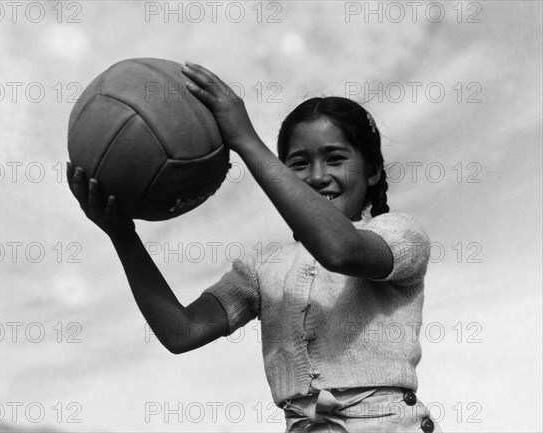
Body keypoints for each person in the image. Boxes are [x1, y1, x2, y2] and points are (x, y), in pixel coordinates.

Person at [67, 61, 442, 432]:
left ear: (373, 170)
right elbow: (182, 332)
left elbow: (341, 251)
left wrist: (245, 140)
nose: (316, 176)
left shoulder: (401, 235)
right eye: (298, 163)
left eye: (335, 159)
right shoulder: (263, 270)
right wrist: (122, 235)